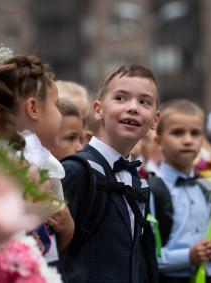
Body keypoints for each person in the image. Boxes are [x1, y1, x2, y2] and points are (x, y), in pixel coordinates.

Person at [60, 64, 160, 283]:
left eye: (144, 102)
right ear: (98, 110)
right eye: (121, 98)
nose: (133, 107)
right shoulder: (76, 171)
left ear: (155, 119)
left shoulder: (139, 182)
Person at [0, 55, 74, 258]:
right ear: (34, 108)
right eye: (57, 106)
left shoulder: (48, 168)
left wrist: (67, 229)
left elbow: (47, 254)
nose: (61, 115)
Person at [153, 99, 211, 283]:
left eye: (195, 133)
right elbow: (145, 254)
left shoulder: (209, 187)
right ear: (158, 141)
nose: (188, 140)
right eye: (177, 133)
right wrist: (188, 256)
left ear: (202, 141)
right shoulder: (151, 189)